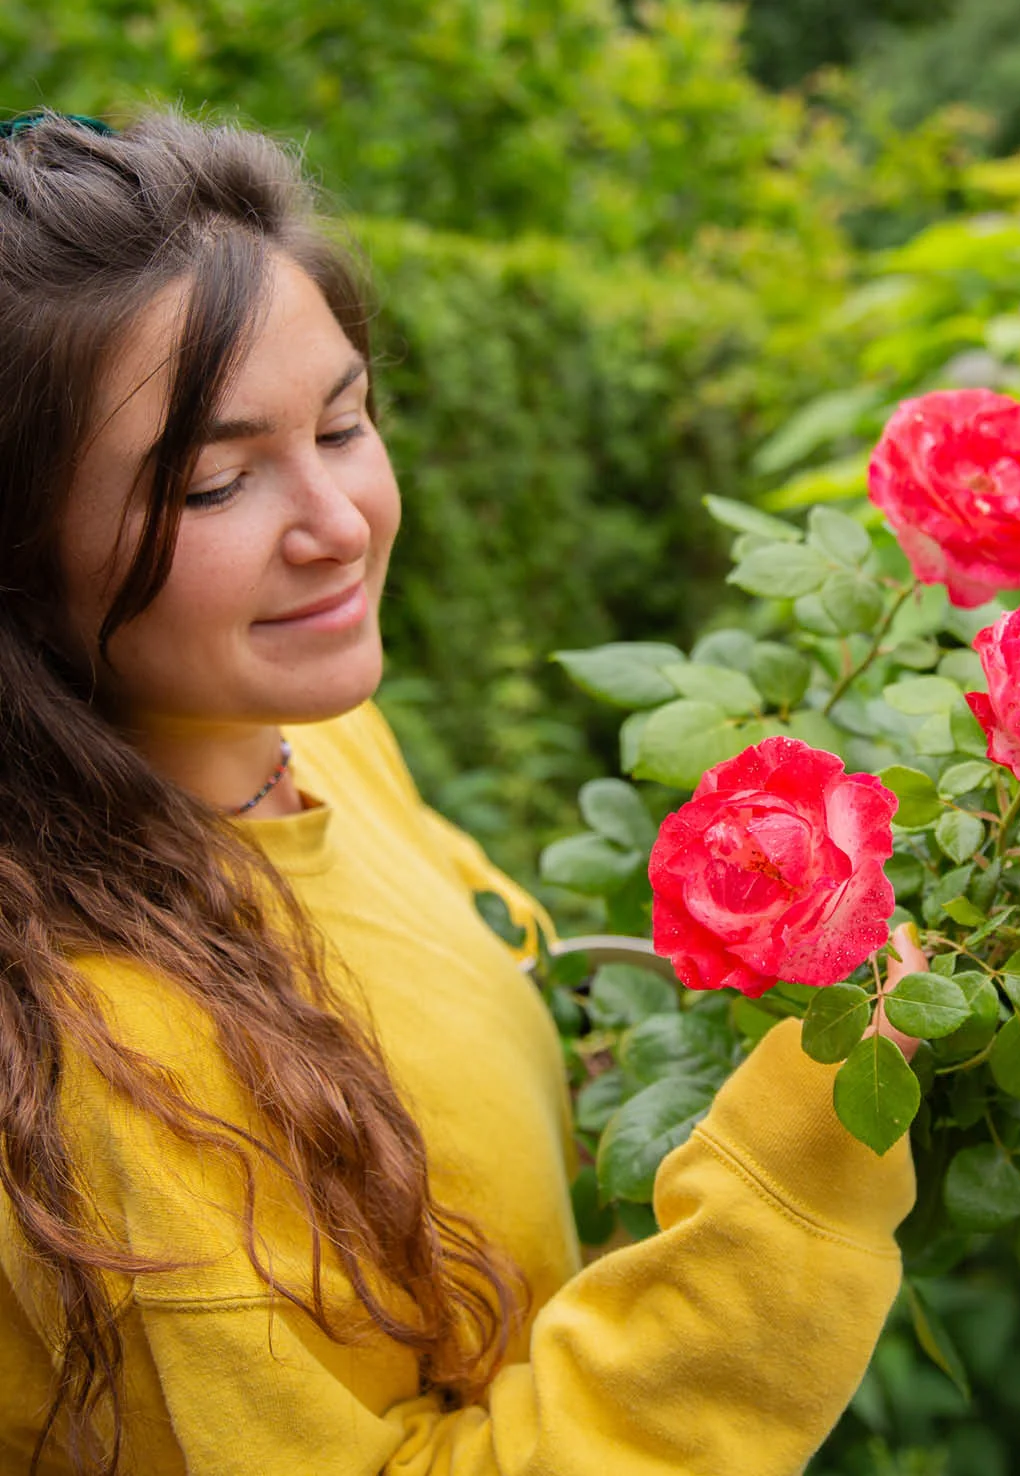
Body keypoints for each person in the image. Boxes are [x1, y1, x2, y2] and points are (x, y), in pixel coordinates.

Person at [0, 110, 916, 1476]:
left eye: (344, 423)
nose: (339, 524)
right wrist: (797, 1179)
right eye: (217, 484)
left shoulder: (306, 740)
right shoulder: (100, 1072)